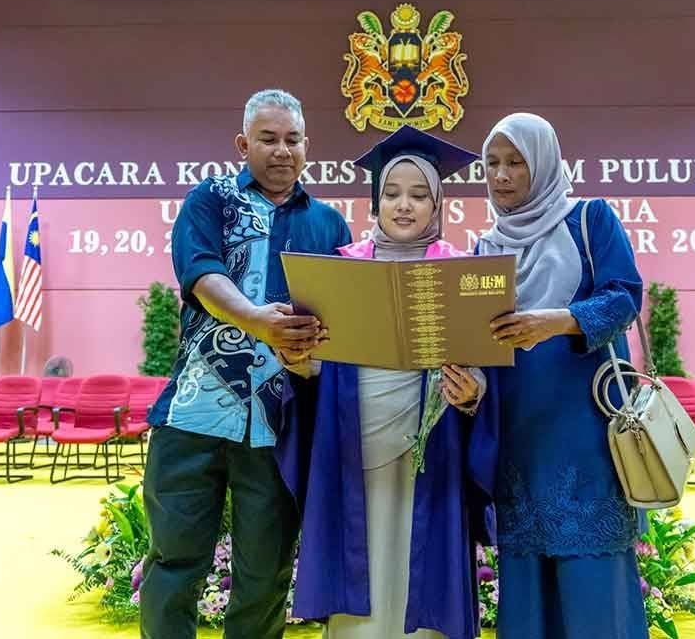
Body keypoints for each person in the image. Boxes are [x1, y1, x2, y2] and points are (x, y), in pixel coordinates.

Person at [140, 89, 352, 639]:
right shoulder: (207, 201)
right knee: (175, 565)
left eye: (293, 140)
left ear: (307, 145)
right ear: (243, 144)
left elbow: (347, 323)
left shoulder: (330, 227)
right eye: (268, 139)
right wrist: (258, 321)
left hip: (279, 427)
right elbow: (202, 275)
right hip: (193, 417)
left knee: (265, 576)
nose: (282, 151)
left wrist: (314, 356)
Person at [276, 125, 499, 639]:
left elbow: (482, 367)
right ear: (374, 203)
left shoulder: (461, 272)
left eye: (419, 195)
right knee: (365, 550)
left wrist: (474, 394)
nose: (404, 206)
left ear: (438, 205)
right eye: (391, 194)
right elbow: (317, 365)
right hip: (353, 440)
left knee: (420, 554)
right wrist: (296, 358)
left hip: (432, 446)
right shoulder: (340, 270)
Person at [478, 113, 647, 639]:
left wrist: (556, 321)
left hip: (585, 429)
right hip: (518, 433)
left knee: (590, 573)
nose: (502, 176)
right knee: (526, 578)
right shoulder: (485, 248)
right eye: (492, 164)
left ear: (545, 163)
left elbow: (624, 296)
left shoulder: (590, 220)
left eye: (515, 163)